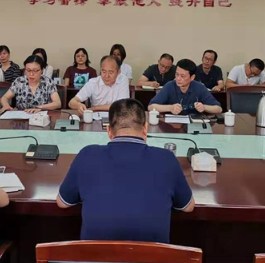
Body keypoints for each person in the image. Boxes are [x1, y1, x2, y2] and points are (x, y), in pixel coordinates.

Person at [57, 99, 194, 242]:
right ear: (145, 129)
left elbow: (62, 202)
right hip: (151, 254)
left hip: (96, 254)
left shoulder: (87, 155)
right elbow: (188, 206)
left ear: (109, 131)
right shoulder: (167, 159)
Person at [148, 59, 222, 115]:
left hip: (194, 126)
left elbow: (219, 109)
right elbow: (150, 107)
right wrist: (170, 108)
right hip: (173, 125)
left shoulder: (199, 87)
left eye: (182, 76)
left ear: (192, 77)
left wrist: (204, 107)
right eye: (177, 74)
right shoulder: (170, 86)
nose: (178, 78)